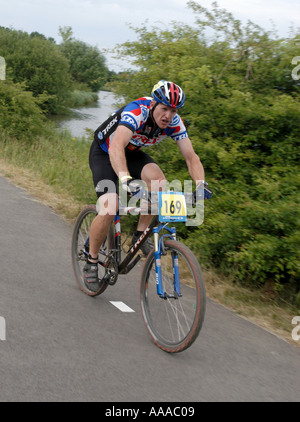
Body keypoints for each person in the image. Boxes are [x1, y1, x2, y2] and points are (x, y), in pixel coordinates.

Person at [84, 80, 210, 292]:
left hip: (132, 153)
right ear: (153, 104)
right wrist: (125, 180)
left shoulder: (174, 122)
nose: (168, 115)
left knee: (159, 182)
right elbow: (116, 147)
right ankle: (91, 260)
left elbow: (191, 157)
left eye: (173, 111)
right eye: (164, 109)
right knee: (110, 205)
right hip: (105, 153)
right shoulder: (137, 111)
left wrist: (200, 185)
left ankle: (140, 235)